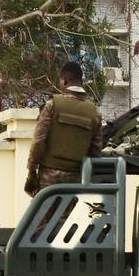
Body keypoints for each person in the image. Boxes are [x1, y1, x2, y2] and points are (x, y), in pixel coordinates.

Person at [25, 61, 103, 196]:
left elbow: (38, 141)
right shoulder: (94, 112)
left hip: (48, 180)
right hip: (75, 181)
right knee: (70, 217)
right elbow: (95, 152)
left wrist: (31, 174)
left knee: (46, 216)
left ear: (65, 81)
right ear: (81, 82)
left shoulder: (52, 105)